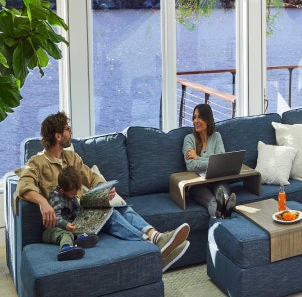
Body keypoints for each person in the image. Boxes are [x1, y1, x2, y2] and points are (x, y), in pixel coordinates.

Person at [16, 111, 190, 272]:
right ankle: (155, 245)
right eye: (67, 129)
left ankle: (157, 238)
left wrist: (104, 189)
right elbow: (24, 185)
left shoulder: (71, 157)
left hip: (81, 213)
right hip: (69, 223)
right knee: (111, 214)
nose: (71, 132)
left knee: (122, 209)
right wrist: (42, 202)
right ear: (58, 136)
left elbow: (91, 177)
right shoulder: (38, 162)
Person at [183, 103, 237, 218]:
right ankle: (224, 215)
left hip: (217, 179)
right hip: (197, 184)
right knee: (212, 201)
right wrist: (213, 162)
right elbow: (191, 166)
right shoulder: (189, 139)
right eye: (194, 117)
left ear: (208, 119)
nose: (195, 121)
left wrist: (198, 158)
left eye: (199, 117)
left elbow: (221, 161)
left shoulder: (216, 136)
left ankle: (226, 209)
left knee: (224, 195)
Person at [43, 166, 100, 261]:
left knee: (78, 227)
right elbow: (55, 217)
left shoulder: (72, 196)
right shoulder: (56, 197)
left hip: (68, 226)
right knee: (67, 234)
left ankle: (80, 239)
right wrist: (66, 225)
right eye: (73, 194)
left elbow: (77, 210)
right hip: (51, 230)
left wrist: (87, 204)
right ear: (62, 190)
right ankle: (65, 249)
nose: (75, 195)